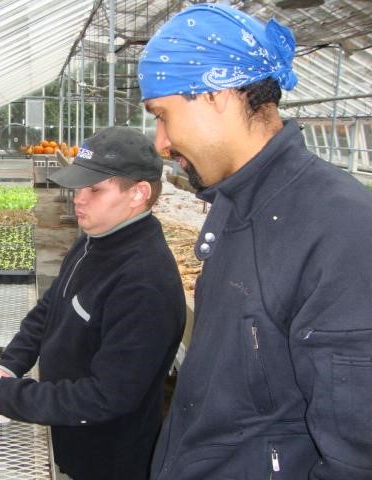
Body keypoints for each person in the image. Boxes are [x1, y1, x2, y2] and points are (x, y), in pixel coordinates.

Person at [138, 3, 372, 480]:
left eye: (162, 115)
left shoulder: (341, 228)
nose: (160, 142)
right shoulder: (234, 202)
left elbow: (356, 453)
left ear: (217, 94)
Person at [0, 126, 186, 480]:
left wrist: (8, 397)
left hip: (106, 457)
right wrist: (9, 366)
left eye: (95, 189)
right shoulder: (96, 239)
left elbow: (107, 396)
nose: (78, 199)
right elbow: (49, 308)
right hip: (67, 431)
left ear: (138, 194)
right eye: (80, 186)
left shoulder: (144, 283)